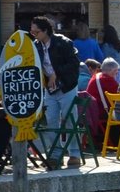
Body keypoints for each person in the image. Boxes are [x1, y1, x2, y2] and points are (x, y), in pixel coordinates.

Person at [31, 16, 82, 170]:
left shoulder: (63, 42)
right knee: (51, 121)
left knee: (69, 119)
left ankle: (74, 154)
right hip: (49, 88)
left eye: (36, 31)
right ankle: (55, 155)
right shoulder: (36, 45)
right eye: (31, 31)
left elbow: (74, 64)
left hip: (66, 86)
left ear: (45, 30)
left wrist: (56, 74)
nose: (34, 34)